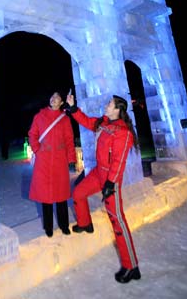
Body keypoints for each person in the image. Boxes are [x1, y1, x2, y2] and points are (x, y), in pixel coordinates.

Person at [65, 93, 141, 284]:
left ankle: (131, 266)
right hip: (98, 173)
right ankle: (85, 223)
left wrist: (110, 183)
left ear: (118, 110)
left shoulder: (123, 132)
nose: (106, 105)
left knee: (117, 220)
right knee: (78, 192)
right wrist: (73, 109)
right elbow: (86, 121)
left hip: (110, 179)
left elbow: (119, 160)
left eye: (110, 104)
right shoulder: (103, 123)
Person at [28, 91, 77, 238]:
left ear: (62, 103)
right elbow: (32, 134)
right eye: (52, 96)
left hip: (60, 160)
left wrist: (71, 159)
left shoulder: (64, 119)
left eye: (57, 97)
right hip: (44, 161)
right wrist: (37, 149)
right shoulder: (39, 116)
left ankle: (64, 225)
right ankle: (48, 227)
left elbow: (69, 139)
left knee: (61, 195)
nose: (54, 98)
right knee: (46, 196)